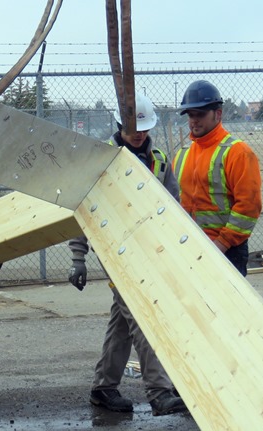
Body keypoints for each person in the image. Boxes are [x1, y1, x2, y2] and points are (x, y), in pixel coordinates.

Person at [68, 93, 187, 416]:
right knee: (143, 318)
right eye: (134, 128)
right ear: (119, 124)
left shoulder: (160, 160)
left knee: (123, 322)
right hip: (115, 250)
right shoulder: (101, 159)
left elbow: (173, 209)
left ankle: (104, 388)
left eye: (145, 129)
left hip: (150, 251)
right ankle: (159, 392)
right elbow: (83, 207)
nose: (140, 134)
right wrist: (78, 257)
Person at [175, 80, 262, 276]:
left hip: (227, 251)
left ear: (218, 114)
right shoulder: (183, 155)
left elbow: (249, 207)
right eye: (190, 115)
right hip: (190, 247)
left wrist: (222, 244)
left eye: (200, 114)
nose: (194, 120)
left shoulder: (238, 153)